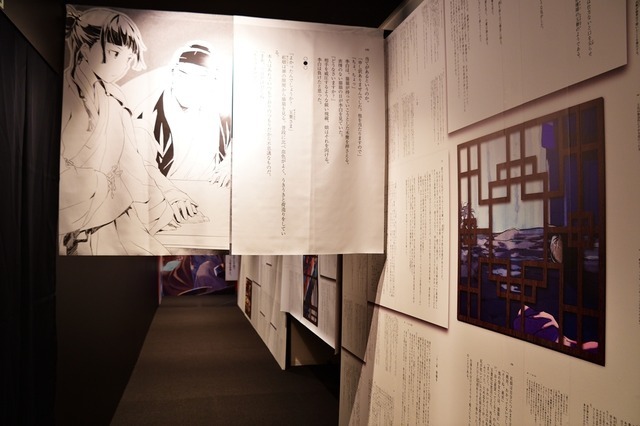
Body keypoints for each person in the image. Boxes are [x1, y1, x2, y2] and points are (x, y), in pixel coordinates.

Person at [59, 6, 198, 255]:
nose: (121, 66)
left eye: (127, 58)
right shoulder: (64, 95)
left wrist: (170, 194)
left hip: (114, 216)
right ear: (85, 49)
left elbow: (134, 159)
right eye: (114, 53)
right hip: (75, 221)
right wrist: (103, 185)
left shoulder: (114, 100)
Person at [135, 41, 231, 185]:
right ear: (172, 74)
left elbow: (237, 148)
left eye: (202, 77)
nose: (191, 83)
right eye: (183, 74)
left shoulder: (220, 115)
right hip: (165, 194)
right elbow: (142, 173)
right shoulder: (149, 116)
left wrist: (230, 166)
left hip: (212, 192)